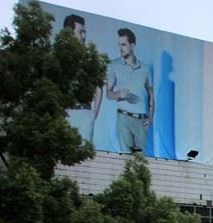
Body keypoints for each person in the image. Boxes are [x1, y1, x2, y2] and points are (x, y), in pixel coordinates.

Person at [105, 26, 153, 154]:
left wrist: (151, 118)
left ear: (132, 45)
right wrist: (118, 94)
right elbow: (108, 93)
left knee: (140, 159)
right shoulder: (113, 65)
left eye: (124, 45)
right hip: (124, 117)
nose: (121, 48)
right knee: (125, 158)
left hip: (141, 119)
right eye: (119, 45)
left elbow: (151, 96)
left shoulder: (145, 69)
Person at [62, 14, 102, 144]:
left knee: (83, 156)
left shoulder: (90, 59)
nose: (84, 36)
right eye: (80, 32)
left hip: (85, 111)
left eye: (84, 32)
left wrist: (93, 115)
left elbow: (99, 88)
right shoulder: (61, 58)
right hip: (68, 112)